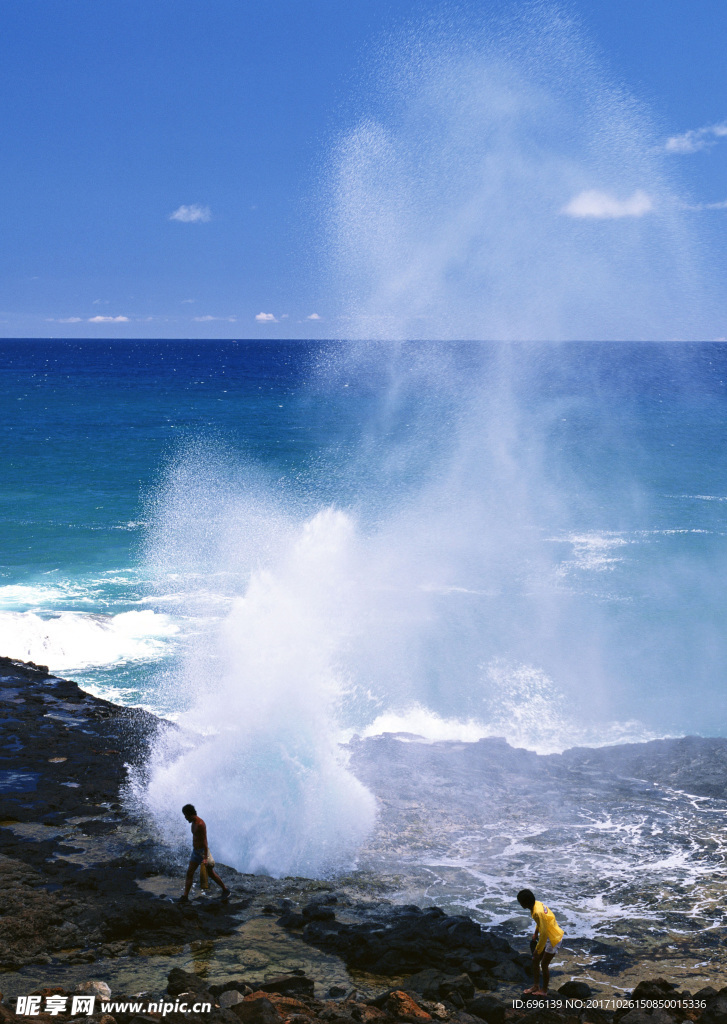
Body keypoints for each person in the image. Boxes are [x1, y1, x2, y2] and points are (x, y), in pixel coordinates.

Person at [178, 804, 231, 902]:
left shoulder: (200, 824)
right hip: (195, 852)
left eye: (185, 815)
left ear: (190, 814)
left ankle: (225, 890)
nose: (185, 818)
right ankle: (185, 897)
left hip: (202, 853)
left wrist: (205, 858)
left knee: (211, 873)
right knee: (189, 873)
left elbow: (205, 841)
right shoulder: (193, 822)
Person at [516, 888, 564, 996]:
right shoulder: (536, 905)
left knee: (544, 963)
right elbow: (541, 923)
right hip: (548, 935)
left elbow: (544, 934)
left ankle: (544, 990)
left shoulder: (538, 912)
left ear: (525, 903)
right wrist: (535, 933)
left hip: (553, 938)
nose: (520, 904)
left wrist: (538, 950)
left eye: (520, 902)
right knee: (535, 960)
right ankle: (536, 986)